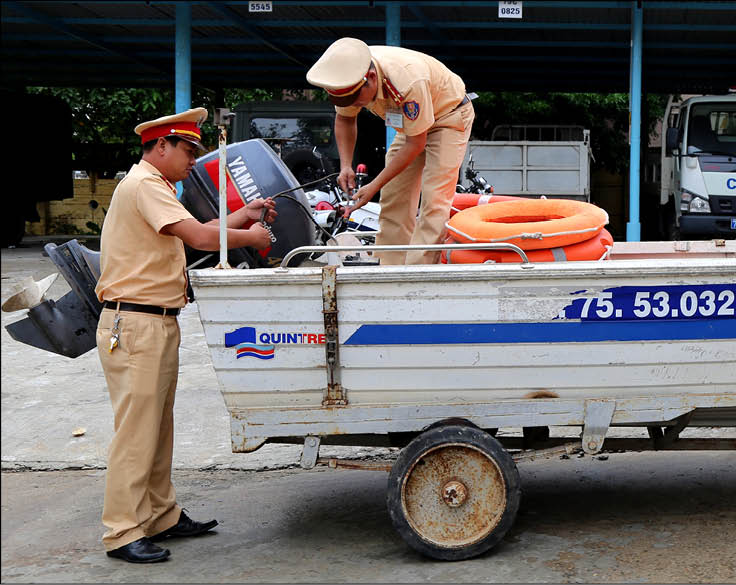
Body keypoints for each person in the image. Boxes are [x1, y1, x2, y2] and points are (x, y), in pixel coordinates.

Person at [94, 107, 277, 563]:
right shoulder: (144, 185)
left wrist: (243, 215)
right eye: (188, 150)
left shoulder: (155, 188)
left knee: (157, 428)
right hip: (135, 323)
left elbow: (199, 231)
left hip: (153, 321)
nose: (194, 159)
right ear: (160, 147)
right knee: (137, 433)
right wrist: (252, 237)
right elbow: (198, 237)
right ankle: (122, 531)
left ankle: (160, 515)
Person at [306, 37, 475, 265]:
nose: (355, 106)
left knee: (434, 201)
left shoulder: (407, 81)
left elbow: (416, 145)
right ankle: (389, 270)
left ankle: (417, 276)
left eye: (356, 100)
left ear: (372, 79)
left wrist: (374, 185)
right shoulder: (348, 75)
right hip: (410, 127)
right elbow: (345, 120)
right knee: (394, 198)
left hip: (448, 117)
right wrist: (345, 166)